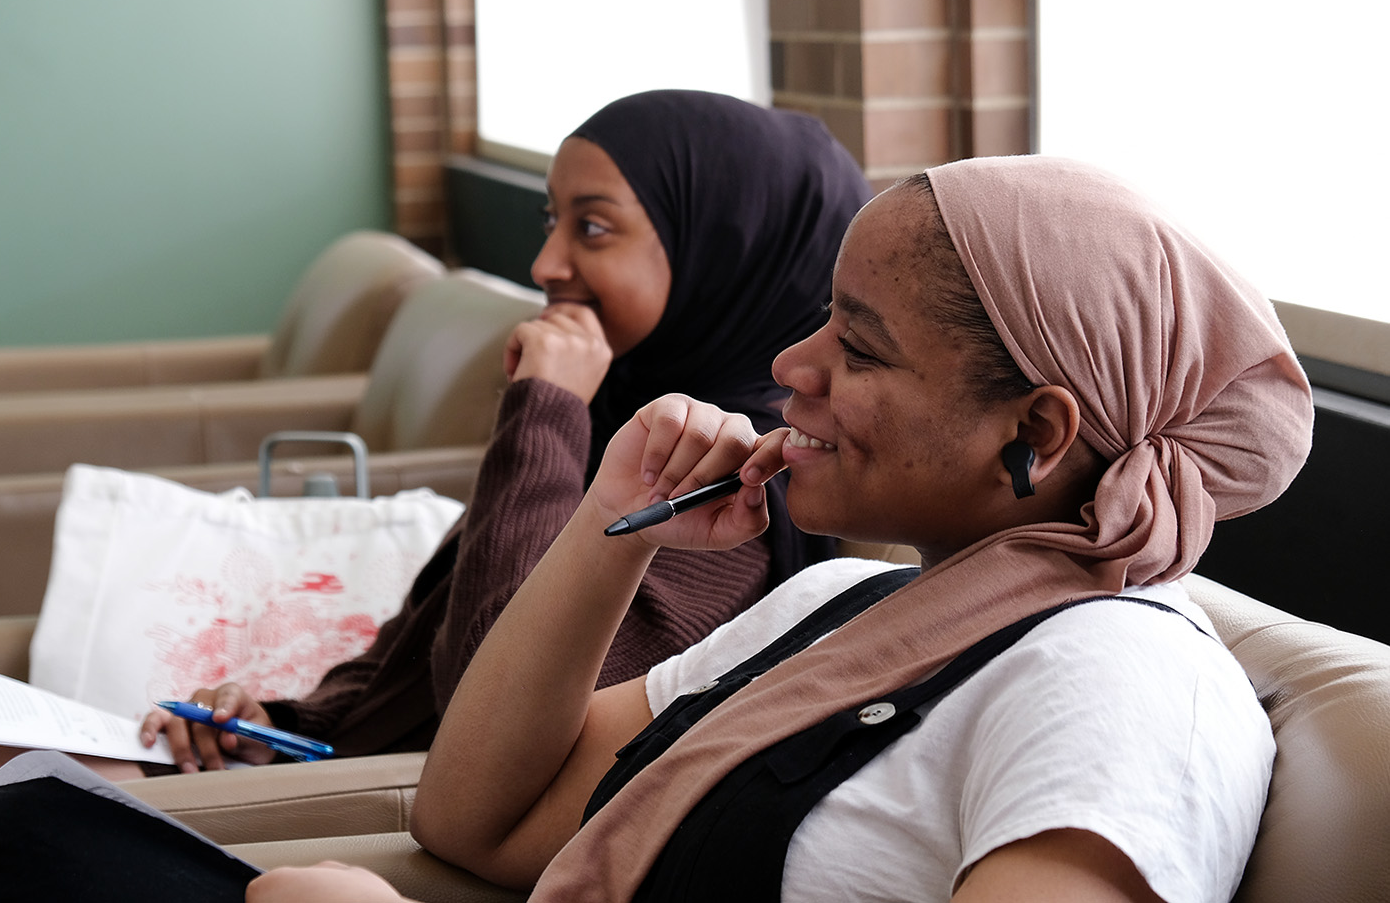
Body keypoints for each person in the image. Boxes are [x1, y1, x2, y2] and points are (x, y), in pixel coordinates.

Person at [249, 155, 1313, 901]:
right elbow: (477, 818)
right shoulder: (840, 603)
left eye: (857, 347)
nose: (789, 369)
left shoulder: (1116, 695)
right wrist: (611, 524)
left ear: (1031, 429)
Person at [0, 89, 872, 813]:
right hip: (331, 778)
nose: (545, 266)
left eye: (592, 228)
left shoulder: (732, 485)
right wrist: (278, 725)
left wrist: (544, 413)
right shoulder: (632, 419)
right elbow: (426, 653)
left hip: (384, 821)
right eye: (552, 222)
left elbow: (489, 705)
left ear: (725, 246)